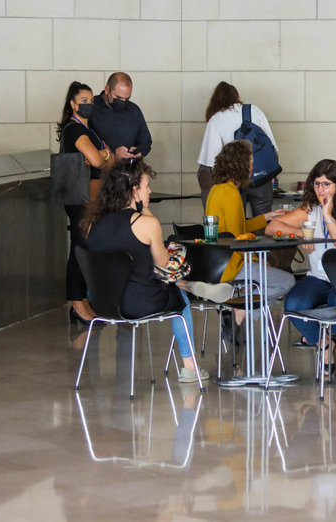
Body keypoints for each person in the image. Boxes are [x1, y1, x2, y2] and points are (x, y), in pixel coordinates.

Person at [83, 159, 231, 383]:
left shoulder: (93, 224)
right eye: (146, 186)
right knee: (179, 296)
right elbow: (164, 263)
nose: (150, 190)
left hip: (104, 304)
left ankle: (186, 285)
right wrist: (145, 211)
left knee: (145, 267)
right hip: (138, 303)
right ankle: (190, 367)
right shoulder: (144, 223)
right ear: (134, 191)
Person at [268, 160, 336, 359]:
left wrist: (328, 215)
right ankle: (324, 343)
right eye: (316, 184)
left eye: (326, 184)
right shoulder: (310, 208)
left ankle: (328, 338)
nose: (321, 190)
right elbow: (272, 227)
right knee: (293, 305)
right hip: (320, 277)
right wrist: (302, 234)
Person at [205, 141, 294, 330]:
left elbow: (235, 227)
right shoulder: (231, 193)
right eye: (251, 162)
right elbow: (237, 237)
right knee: (287, 281)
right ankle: (240, 310)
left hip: (215, 261)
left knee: (258, 283)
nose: (253, 167)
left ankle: (240, 308)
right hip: (231, 264)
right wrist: (256, 258)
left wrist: (266, 218)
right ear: (241, 165)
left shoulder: (217, 189)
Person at [58, 81, 115, 324]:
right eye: (84, 101)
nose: (88, 105)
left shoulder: (90, 130)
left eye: (91, 101)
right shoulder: (74, 129)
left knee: (86, 248)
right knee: (79, 249)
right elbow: (101, 161)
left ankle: (83, 301)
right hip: (78, 197)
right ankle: (77, 304)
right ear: (73, 104)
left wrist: (103, 155)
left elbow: (111, 159)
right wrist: (102, 155)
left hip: (90, 197)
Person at [196, 81, 279, 216]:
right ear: (238, 97)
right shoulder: (254, 110)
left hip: (233, 181)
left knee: (236, 222)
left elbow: (209, 162)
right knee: (264, 221)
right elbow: (273, 147)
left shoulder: (216, 118)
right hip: (261, 177)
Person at [89, 72, 152, 161]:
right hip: (100, 167)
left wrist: (140, 151)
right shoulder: (91, 108)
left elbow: (145, 141)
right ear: (107, 90)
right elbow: (83, 145)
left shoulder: (134, 110)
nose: (123, 101)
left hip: (129, 167)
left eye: (127, 99)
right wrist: (113, 152)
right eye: (118, 98)